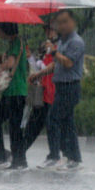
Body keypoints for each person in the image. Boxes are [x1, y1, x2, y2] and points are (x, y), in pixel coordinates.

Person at [29, 10, 83, 170]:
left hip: (70, 86)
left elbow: (67, 63)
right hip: (61, 86)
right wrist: (39, 74)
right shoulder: (63, 42)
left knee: (52, 119)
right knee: (68, 124)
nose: (61, 26)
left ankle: (54, 156)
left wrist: (53, 52)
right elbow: (56, 64)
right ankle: (74, 158)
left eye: (64, 22)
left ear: (72, 23)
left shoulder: (76, 42)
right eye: (59, 23)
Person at [0, 22, 29, 169]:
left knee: (11, 126)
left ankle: (16, 160)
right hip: (11, 92)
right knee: (1, 124)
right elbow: (11, 62)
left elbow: (10, 63)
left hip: (16, 92)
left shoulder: (17, 42)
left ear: (5, 29)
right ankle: (9, 158)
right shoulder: (12, 44)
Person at [24, 24, 58, 162]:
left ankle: (56, 155)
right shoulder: (46, 47)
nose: (47, 33)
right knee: (34, 124)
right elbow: (38, 66)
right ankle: (21, 150)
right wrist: (30, 58)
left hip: (53, 91)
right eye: (46, 30)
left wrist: (41, 69)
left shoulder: (59, 46)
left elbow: (54, 66)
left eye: (50, 29)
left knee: (50, 124)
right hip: (43, 91)